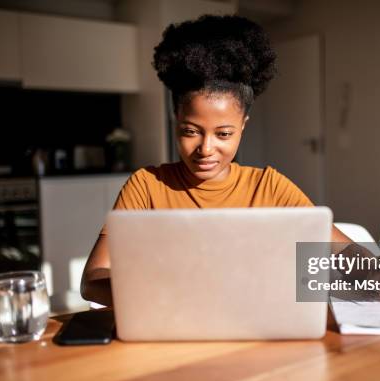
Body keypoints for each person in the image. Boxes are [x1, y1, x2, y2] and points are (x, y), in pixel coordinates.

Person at [81, 15, 354, 307]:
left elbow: (343, 249)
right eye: (190, 131)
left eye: (223, 133)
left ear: (243, 126)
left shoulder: (269, 187)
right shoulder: (146, 187)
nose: (206, 148)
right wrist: (157, 296)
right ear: (176, 121)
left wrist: (378, 271)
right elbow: (92, 279)